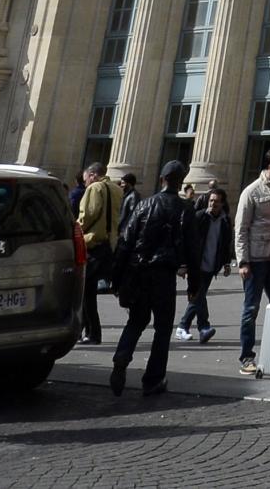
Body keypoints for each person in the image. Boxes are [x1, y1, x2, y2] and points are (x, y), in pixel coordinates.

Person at [111, 160, 196, 396]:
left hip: (138, 272)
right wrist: (194, 285)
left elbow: (125, 243)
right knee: (162, 328)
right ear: (180, 182)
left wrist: (116, 279)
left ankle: (121, 357)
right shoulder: (185, 208)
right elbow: (193, 249)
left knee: (136, 321)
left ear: (161, 179)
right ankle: (153, 379)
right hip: (164, 275)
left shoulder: (144, 205)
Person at [234, 146, 270, 375]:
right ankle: (246, 357)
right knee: (251, 309)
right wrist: (242, 262)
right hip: (256, 258)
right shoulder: (251, 192)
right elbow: (241, 229)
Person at [75, 161, 123, 344]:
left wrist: (75, 230)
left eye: (86, 178)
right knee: (90, 291)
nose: (85, 182)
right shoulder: (117, 189)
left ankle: (92, 332)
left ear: (93, 175)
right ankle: (86, 330)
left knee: (85, 292)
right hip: (109, 244)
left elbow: (88, 214)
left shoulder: (95, 188)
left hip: (93, 243)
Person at [179, 185, 229, 343]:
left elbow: (226, 244)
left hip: (211, 264)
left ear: (222, 204)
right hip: (196, 264)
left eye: (216, 202)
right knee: (198, 295)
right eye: (211, 200)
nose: (212, 204)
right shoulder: (199, 217)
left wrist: (227, 263)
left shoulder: (225, 221)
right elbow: (187, 241)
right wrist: (183, 264)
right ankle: (203, 327)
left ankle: (183, 327)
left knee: (197, 297)